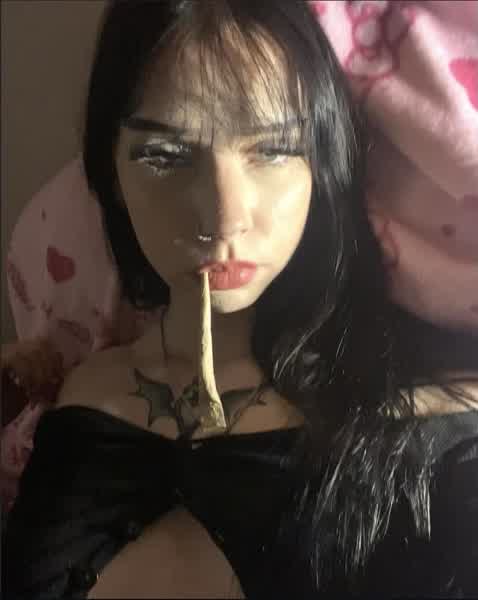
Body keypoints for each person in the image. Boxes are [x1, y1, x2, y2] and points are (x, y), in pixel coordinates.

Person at [3, 1, 478, 598]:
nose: (223, 219)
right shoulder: (83, 390)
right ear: (111, 174)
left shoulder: (434, 428)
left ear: (322, 163)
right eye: (164, 156)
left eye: (273, 150)